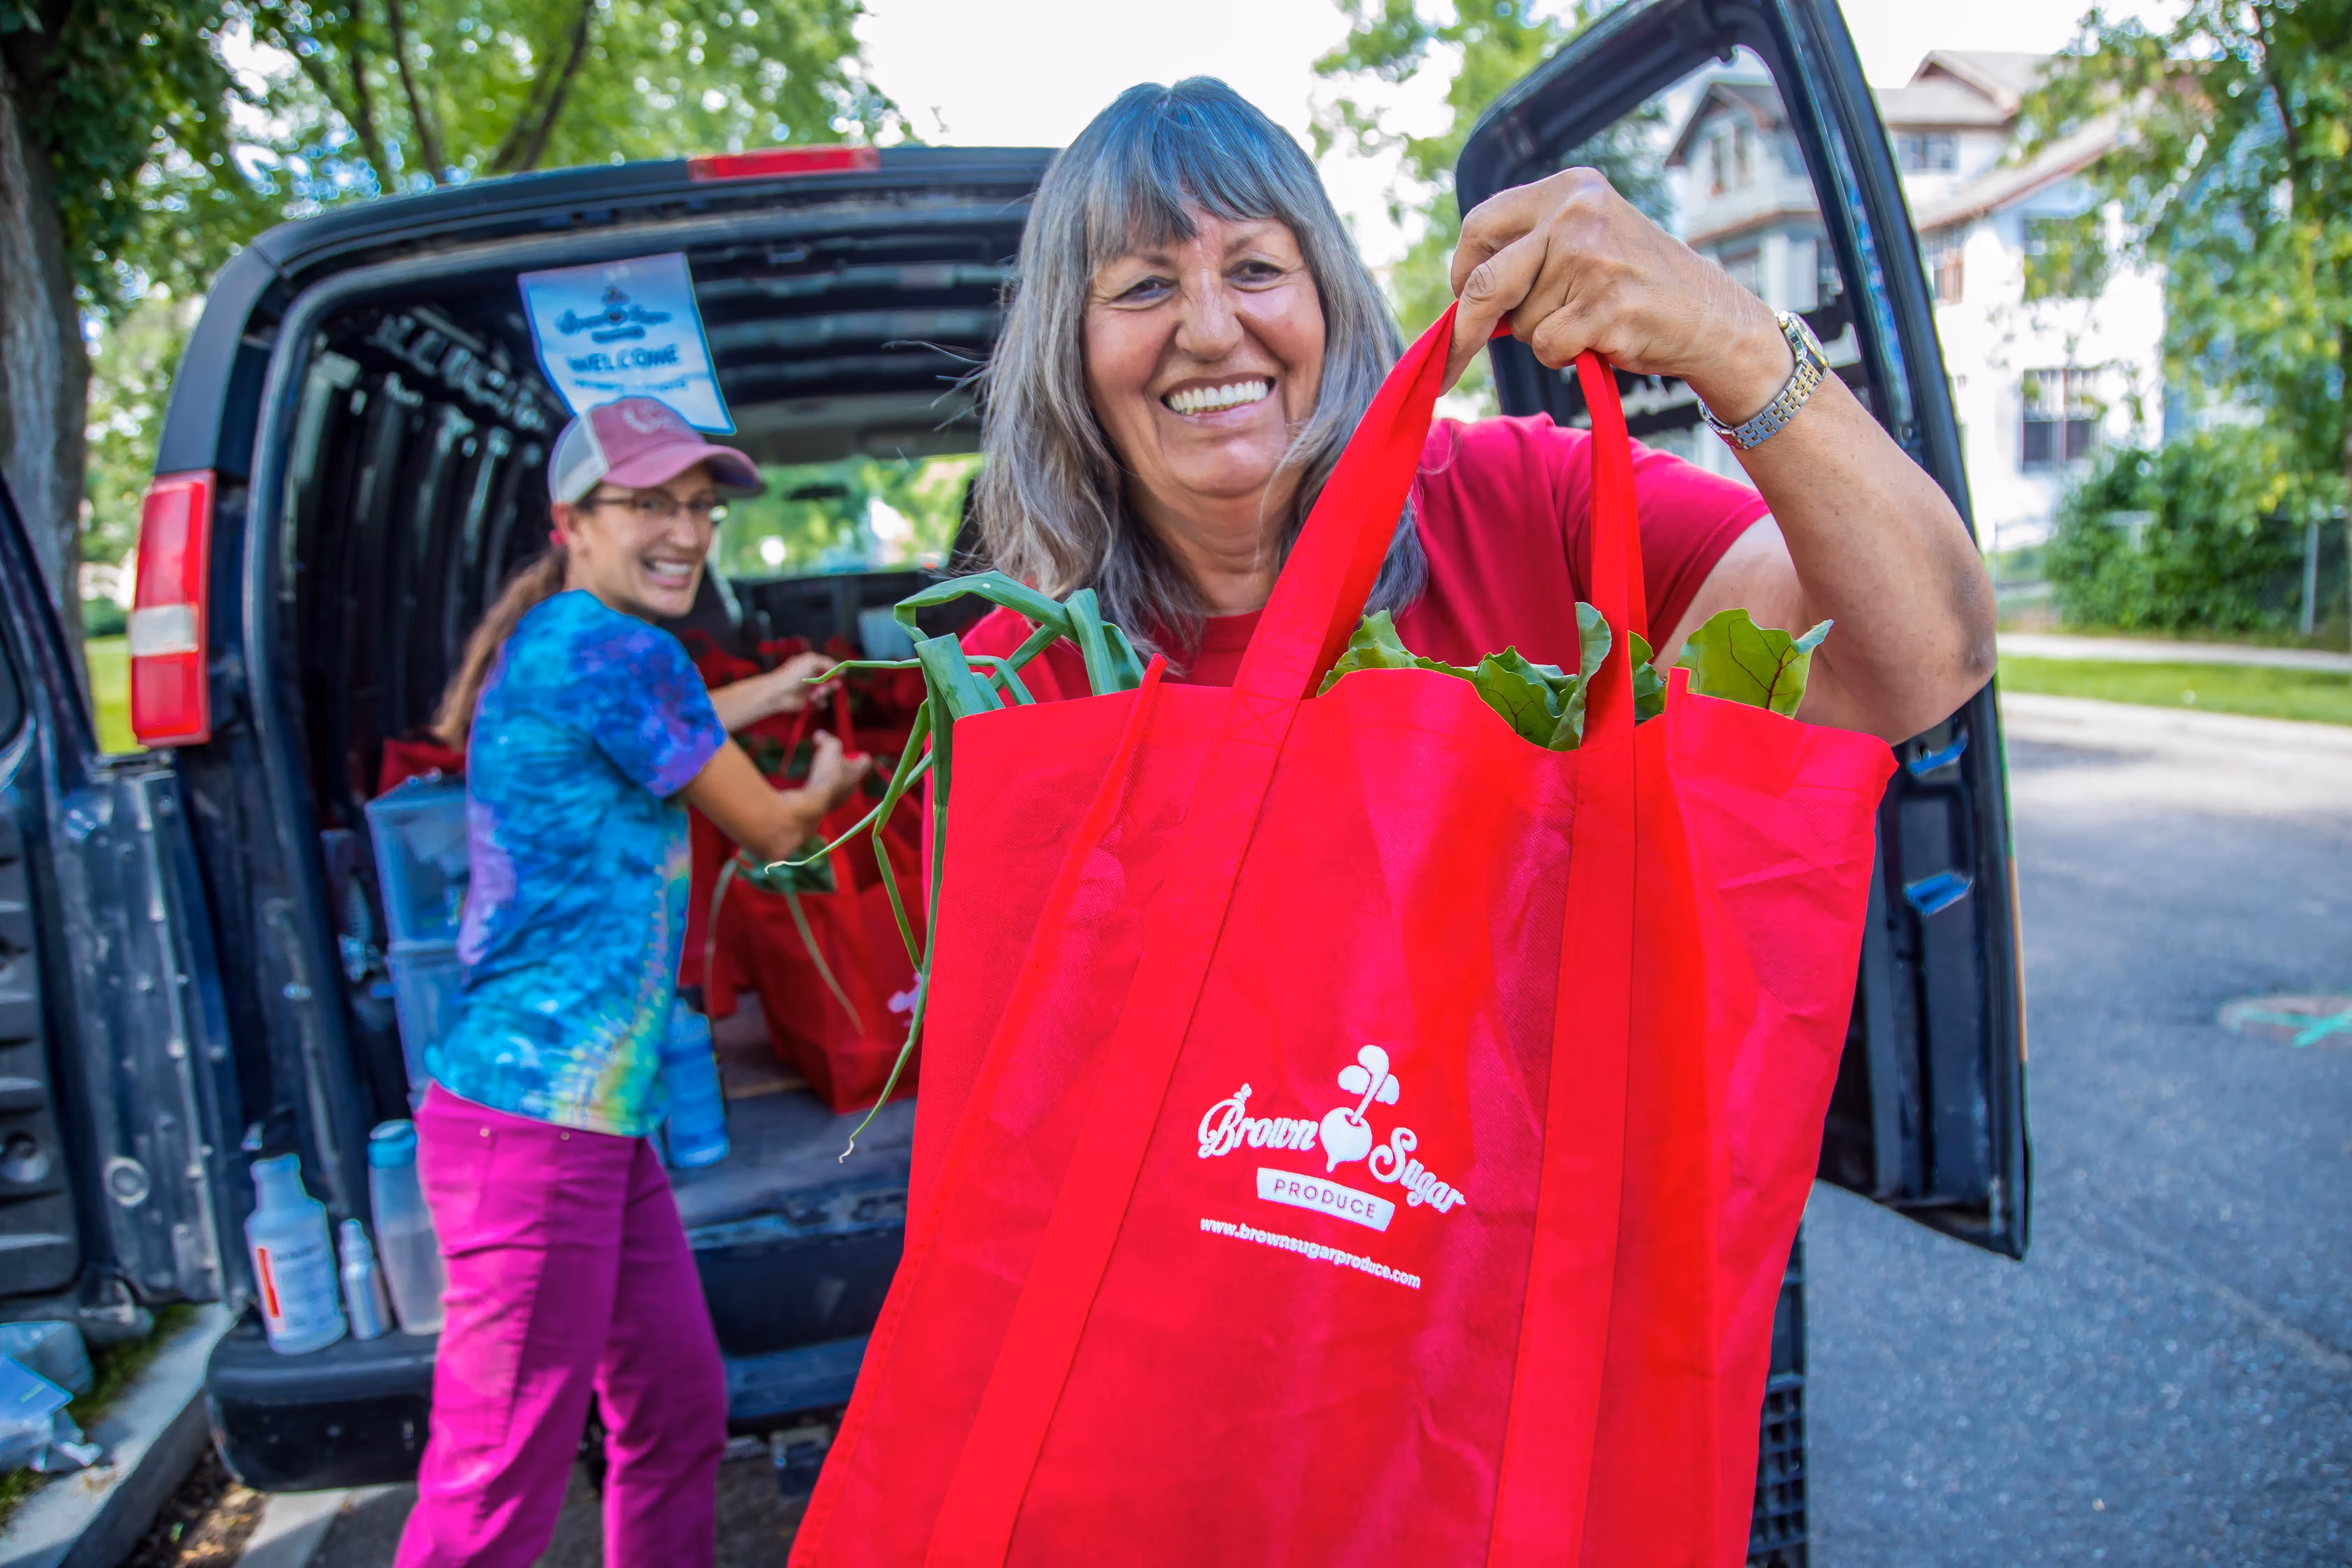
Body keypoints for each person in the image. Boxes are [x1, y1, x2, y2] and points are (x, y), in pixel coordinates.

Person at [963, 79, 1995, 738]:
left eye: (1256, 267)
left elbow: (1918, 665)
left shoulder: (1534, 505)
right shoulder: (1012, 683)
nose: (1210, 327)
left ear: (1333, 301)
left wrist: (1731, 341)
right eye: (1144, 286)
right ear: (1070, 350)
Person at [396, 396, 868, 1568]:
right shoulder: (618, 650)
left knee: (675, 1414)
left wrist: (772, 687)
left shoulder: (564, 643)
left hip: (600, 1126)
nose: (687, 531)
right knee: (496, 1478)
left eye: (699, 507)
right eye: (650, 503)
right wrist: (826, 770)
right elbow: (773, 834)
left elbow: (665, 727)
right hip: (534, 1127)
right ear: (574, 521)